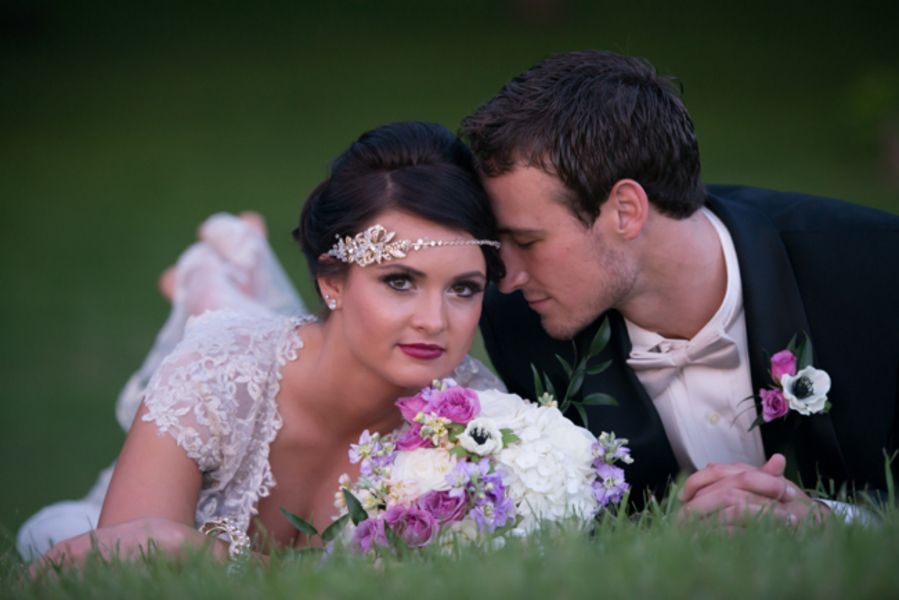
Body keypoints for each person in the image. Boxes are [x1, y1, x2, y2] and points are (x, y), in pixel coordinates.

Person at [22, 120, 505, 565]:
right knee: (49, 535)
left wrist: (188, 549)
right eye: (400, 281)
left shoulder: (482, 432)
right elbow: (122, 562)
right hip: (96, 504)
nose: (433, 321)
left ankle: (230, 276)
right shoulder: (218, 371)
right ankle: (211, 275)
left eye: (463, 288)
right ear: (331, 280)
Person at [461, 50, 899, 525]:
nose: (505, 276)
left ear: (626, 210)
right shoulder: (518, 321)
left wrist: (830, 519)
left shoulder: (875, 271)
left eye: (527, 240)